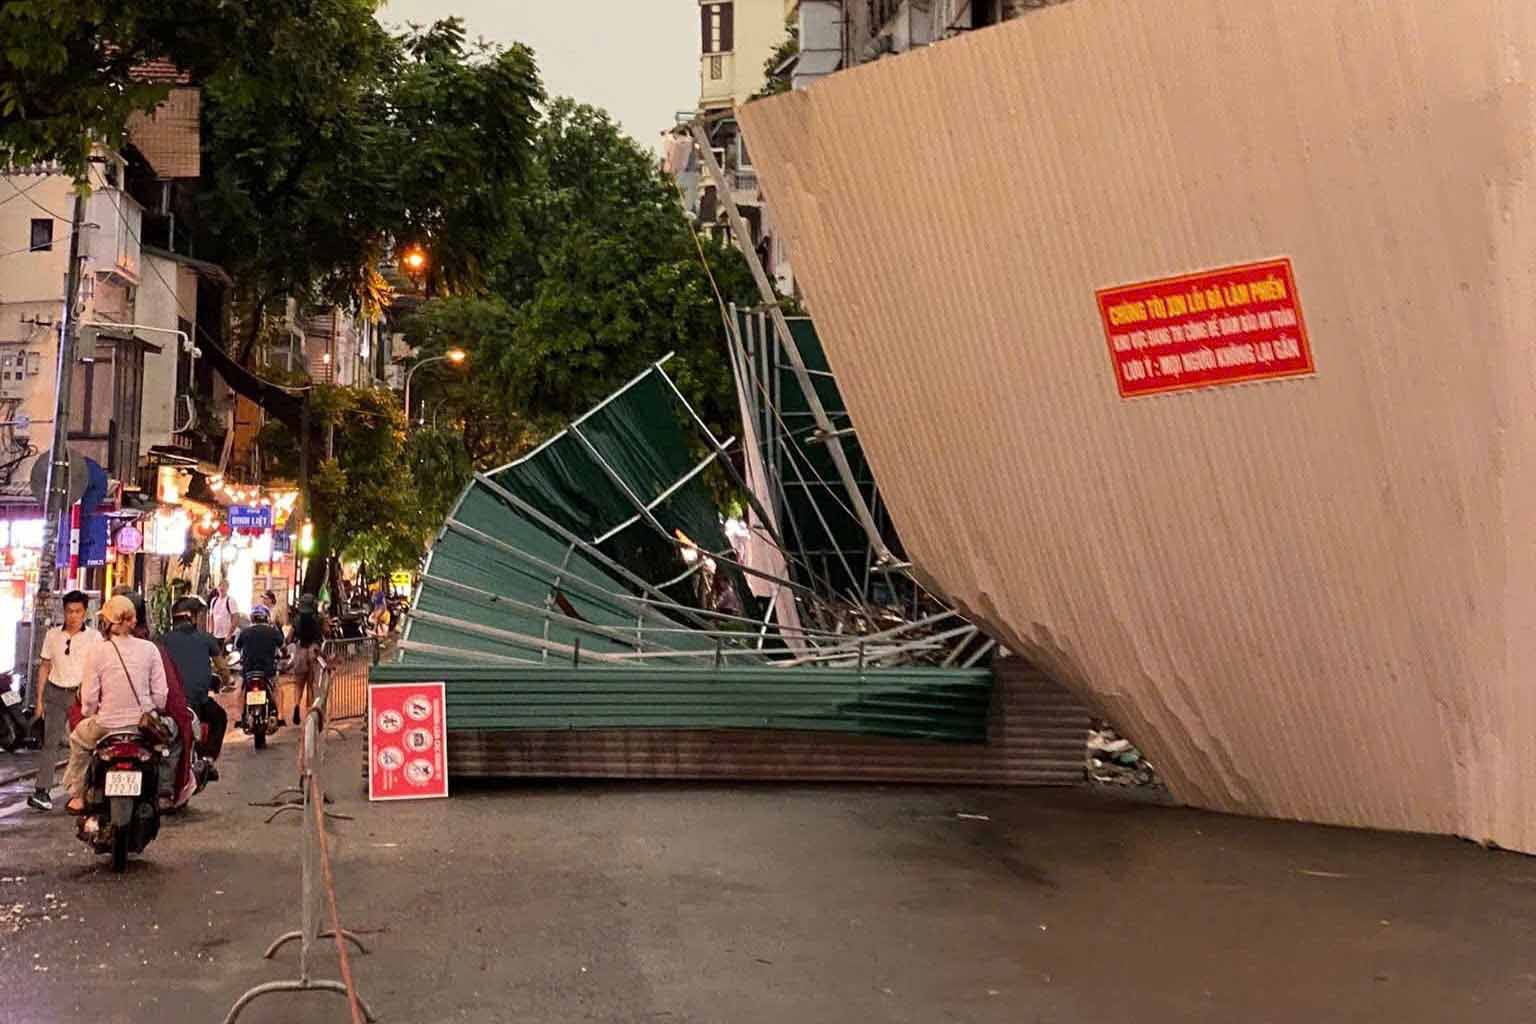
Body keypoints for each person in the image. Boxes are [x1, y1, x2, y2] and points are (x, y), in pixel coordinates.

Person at [62, 595, 168, 816]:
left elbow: (89, 699)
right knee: (166, 744)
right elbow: (161, 696)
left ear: (107, 622)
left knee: (79, 741)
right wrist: (153, 709)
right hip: (142, 726)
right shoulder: (149, 649)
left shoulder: (97, 651)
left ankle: (78, 795)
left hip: (106, 725)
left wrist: (88, 712)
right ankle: (163, 793)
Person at [27, 591, 101, 811]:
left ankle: (83, 790)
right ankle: (42, 791)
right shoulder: (52, 636)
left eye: (78, 611)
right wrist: (39, 700)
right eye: (69, 611)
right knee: (50, 742)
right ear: (64, 611)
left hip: (81, 694)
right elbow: (45, 667)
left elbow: (99, 668)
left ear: (84, 612)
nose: (73, 616)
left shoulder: (94, 638)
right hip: (55, 692)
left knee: (84, 743)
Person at [162, 597, 230, 766]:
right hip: (197, 702)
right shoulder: (206, 639)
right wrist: (225, 681)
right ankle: (208, 758)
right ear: (192, 617)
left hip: (168, 704)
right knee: (219, 717)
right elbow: (223, 669)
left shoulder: (161, 641)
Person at [289, 594, 326, 725]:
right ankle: (309, 716)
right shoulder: (318, 618)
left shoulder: (297, 619)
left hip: (300, 653)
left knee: (298, 685)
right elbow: (326, 632)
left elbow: (289, 637)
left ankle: (296, 706)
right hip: (312, 653)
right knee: (310, 685)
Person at [236, 603, 285, 681]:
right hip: (268, 670)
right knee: (277, 688)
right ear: (267, 618)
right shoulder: (273, 631)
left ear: (252, 618)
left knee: (240, 687)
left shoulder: (245, 632)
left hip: (248, 670)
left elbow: (237, 647)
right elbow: (283, 646)